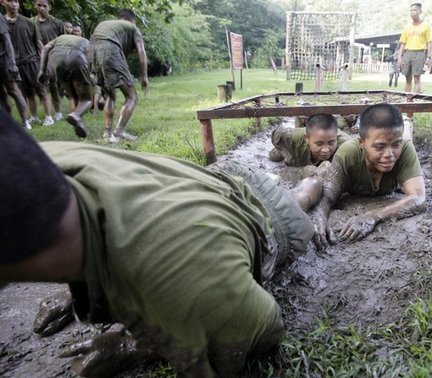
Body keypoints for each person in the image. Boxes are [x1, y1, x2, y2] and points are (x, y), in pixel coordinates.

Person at [0, 108, 324, 377]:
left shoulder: (190, 281)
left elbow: (267, 330)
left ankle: (317, 178)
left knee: (298, 200)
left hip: (271, 213)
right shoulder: (32, 156)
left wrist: (136, 345)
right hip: (207, 179)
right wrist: (80, 286)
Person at [314, 103, 426, 248]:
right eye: (379, 147)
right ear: (361, 142)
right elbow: (327, 197)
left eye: (395, 145)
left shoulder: (405, 149)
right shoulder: (348, 153)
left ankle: (406, 124)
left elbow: (419, 198)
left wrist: (373, 216)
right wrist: (320, 216)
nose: (389, 155)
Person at [88, 8, 149, 143]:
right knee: (132, 96)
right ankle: (119, 130)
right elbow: (142, 53)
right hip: (110, 51)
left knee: (110, 95)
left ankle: (107, 133)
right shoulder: (132, 27)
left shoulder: (106, 25)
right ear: (132, 20)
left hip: (92, 54)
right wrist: (144, 76)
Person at [2, 0, 53, 126]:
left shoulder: (29, 22)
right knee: (25, 93)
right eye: (10, 1)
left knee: (41, 90)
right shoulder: (2, 21)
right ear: (2, 3)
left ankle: (48, 116)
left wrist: (45, 64)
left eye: (16, 1)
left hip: (32, 61)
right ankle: (33, 116)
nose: (14, 4)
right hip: (14, 64)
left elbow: (39, 44)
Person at [38, 34, 93, 138]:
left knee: (73, 96)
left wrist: (42, 70)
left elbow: (45, 48)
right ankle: (76, 115)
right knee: (87, 99)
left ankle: (78, 123)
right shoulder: (86, 41)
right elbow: (90, 57)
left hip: (56, 62)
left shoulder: (59, 38)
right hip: (76, 58)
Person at [269, 113, 350, 171]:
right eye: (319, 144)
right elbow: (276, 134)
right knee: (273, 157)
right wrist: (286, 154)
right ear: (307, 138)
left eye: (331, 143)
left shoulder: (346, 147)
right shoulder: (294, 137)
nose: (325, 150)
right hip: (297, 147)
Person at [33, 0, 65, 122]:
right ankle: (46, 115)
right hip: (37, 59)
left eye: (44, 6)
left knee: (54, 87)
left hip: (54, 59)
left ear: (49, 7)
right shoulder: (31, 22)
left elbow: (63, 40)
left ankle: (58, 112)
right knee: (41, 87)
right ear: (35, 6)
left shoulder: (57, 23)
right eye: (39, 5)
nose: (41, 8)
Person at [0, 11, 30, 128]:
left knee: (14, 91)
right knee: (1, 95)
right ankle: (8, 123)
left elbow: (7, 40)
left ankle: (25, 122)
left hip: (4, 60)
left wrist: (12, 63)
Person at [397, 3, 432, 94]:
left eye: (415, 10)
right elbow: (403, 43)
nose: (413, 12)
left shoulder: (426, 26)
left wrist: (429, 57)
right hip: (407, 53)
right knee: (407, 78)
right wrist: (400, 57)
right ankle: (407, 101)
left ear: (420, 11)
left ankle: (415, 102)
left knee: (417, 78)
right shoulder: (407, 27)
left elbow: (429, 42)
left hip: (419, 53)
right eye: (411, 10)